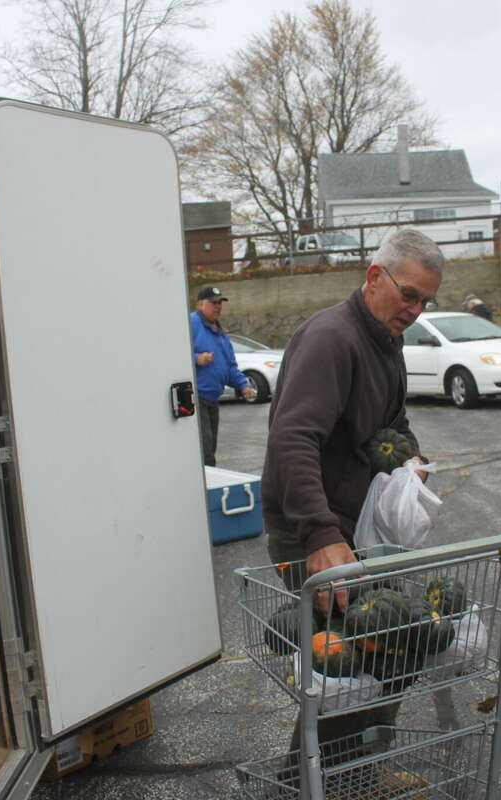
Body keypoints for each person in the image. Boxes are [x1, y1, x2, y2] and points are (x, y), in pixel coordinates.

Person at [260, 228, 445, 762]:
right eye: (408, 294)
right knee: (344, 666)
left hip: (360, 526)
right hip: (313, 527)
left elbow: (393, 423)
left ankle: (359, 773)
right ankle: (312, 782)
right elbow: (293, 438)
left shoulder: (387, 340)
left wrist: (411, 460)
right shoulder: (332, 339)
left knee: (387, 651)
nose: (414, 309)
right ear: (373, 276)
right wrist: (319, 536)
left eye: (425, 301)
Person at [190, 286, 255, 467]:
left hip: (213, 400)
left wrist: (243, 386)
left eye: (220, 303)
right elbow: (174, 353)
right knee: (205, 452)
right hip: (197, 399)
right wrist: (196, 358)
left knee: (210, 449)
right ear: (200, 304)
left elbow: (230, 367)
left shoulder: (220, 333)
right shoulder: (191, 323)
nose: (217, 307)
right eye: (213, 303)